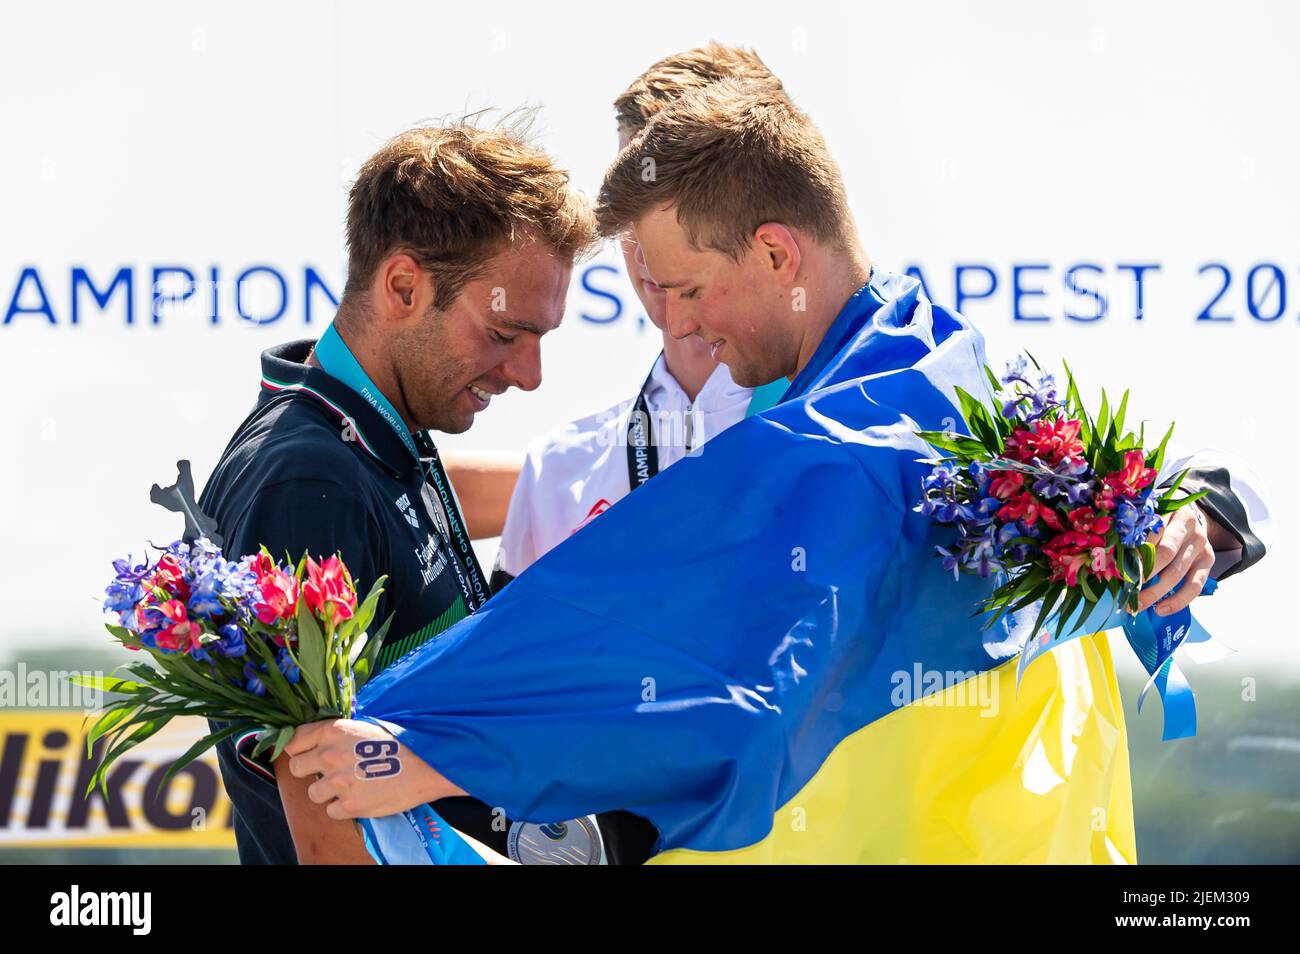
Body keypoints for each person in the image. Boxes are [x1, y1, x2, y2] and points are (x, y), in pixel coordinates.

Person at [289, 81, 1272, 864]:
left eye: (687, 286)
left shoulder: (874, 430)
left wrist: (419, 741)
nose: (680, 322)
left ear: (772, 253)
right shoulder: (945, 374)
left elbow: (673, 645)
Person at [198, 118, 598, 864]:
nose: (529, 374)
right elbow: (327, 838)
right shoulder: (305, 482)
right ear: (405, 287)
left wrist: (627, 483)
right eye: (507, 332)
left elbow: (425, 504)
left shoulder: (369, 429)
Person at [491, 45, 789, 587]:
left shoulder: (850, 433)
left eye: (672, 208)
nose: (644, 244)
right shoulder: (556, 474)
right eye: (627, 205)